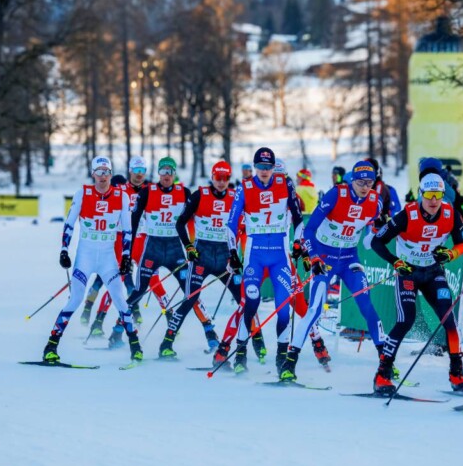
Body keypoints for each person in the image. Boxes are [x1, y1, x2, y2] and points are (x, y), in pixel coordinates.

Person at [279, 161, 384, 381]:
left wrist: (375, 232)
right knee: (315, 309)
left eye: (370, 182)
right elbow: (309, 230)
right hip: (325, 258)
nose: (365, 187)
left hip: (349, 259)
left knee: (367, 306)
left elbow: (370, 234)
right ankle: (290, 362)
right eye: (360, 182)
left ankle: (386, 361)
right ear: (352, 180)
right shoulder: (336, 194)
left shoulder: (375, 202)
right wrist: (313, 256)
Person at [370, 173, 463, 394]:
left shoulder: (451, 214)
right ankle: (382, 374)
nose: (433, 201)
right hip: (408, 272)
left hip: (434, 272)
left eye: (438, 195)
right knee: (406, 320)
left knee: (449, 320)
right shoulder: (407, 215)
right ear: (420, 195)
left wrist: (450, 254)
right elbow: (377, 241)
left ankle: (457, 375)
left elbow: (462, 244)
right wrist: (395, 262)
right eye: (429, 195)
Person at [111, 157, 212, 360]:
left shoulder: (184, 192)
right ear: (159, 173)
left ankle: (212, 336)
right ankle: (117, 331)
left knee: (191, 292)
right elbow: (133, 221)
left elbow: (196, 219)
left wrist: (194, 245)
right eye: (163, 171)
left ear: (174, 174)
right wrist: (127, 251)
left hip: (175, 250)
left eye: (170, 171)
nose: (166, 175)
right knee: (139, 291)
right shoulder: (148, 192)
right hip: (152, 249)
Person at [42, 156, 134, 363]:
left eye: (106, 172)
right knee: (75, 299)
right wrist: (64, 250)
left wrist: (127, 256)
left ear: (111, 173)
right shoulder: (83, 193)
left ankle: (135, 347)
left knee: (120, 299)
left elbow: (128, 230)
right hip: (86, 256)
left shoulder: (122, 196)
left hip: (109, 258)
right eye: (99, 172)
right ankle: (51, 346)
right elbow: (69, 224)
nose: (103, 176)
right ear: (93, 173)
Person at [226, 146, 305, 374]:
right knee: (251, 302)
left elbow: (299, 219)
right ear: (254, 167)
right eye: (259, 166)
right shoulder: (245, 187)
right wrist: (233, 252)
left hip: (280, 256)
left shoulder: (285, 184)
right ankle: (240, 353)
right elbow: (231, 225)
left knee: (283, 310)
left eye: (268, 167)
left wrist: (298, 243)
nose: (263, 171)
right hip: (255, 256)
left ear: (273, 168)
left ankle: (282, 359)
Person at [157, 161, 238, 358]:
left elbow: (242, 226)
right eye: (218, 178)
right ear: (212, 176)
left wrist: (238, 253)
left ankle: (256, 345)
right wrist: (189, 247)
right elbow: (180, 223)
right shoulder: (200, 194)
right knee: (189, 298)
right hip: (202, 255)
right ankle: (167, 343)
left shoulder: (236, 197)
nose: (221, 182)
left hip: (225, 256)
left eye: (225, 178)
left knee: (244, 299)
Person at [85, 155, 150, 335]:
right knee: (112, 281)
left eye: (141, 170)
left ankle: (129, 315)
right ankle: (93, 317)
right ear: (130, 171)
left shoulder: (147, 191)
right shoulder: (120, 190)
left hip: (139, 241)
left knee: (132, 283)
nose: (138, 174)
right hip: (117, 241)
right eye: (135, 170)